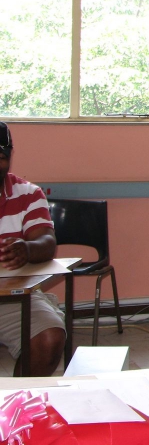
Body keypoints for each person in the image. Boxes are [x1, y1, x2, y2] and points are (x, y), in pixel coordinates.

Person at [0, 121, 66, 377]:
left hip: (12, 297)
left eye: (1, 157)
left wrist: (27, 249)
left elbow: (47, 243)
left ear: (10, 156)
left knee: (49, 338)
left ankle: (19, 401)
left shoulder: (28, 194)